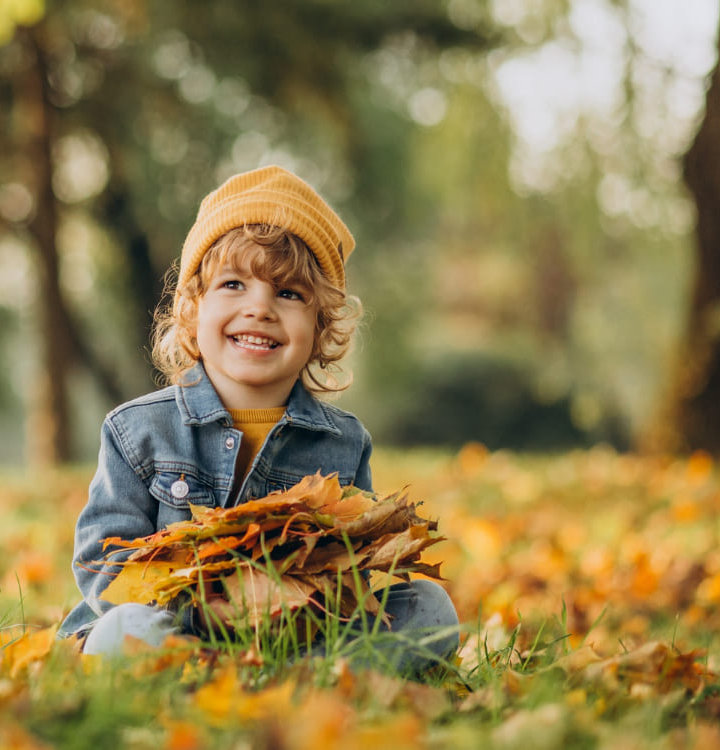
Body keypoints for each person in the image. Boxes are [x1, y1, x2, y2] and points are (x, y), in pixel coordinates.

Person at [57, 165, 459, 674]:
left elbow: (351, 570)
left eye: (288, 293)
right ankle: (212, 675)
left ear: (320, 328)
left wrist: (304, 603)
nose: (260, 308)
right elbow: (101, 563)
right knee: (122, 632)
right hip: (175, 631)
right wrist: (205, 608)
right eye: (233, 284)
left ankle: (296, 679)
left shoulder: (344, 444)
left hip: (296, 637)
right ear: (192, 309)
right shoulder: (137, 432)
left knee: (429, 609)